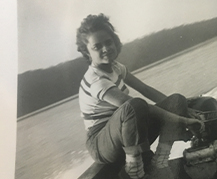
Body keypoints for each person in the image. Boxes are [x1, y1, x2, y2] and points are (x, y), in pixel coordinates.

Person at [76, 13, 205, 179]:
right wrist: (183, 121)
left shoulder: (115, 67)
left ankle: (160, 160)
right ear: (87, 53)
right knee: (134, 106)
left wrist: (184, 108)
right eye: (97, 47)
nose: (106, 49)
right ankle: (135, 171)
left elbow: (145, 89)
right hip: (102, 143)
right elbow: (131, 105)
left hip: (128, 132)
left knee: (177, 100)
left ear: (115, 41)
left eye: (108, 42)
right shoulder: (96, 80)